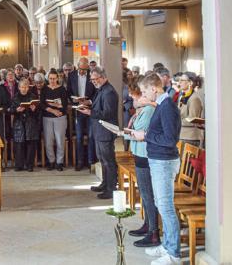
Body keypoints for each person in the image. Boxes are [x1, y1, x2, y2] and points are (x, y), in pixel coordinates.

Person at [130, 73, 182, 265]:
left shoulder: (167, 106)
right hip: (158, 159)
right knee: (161, 205)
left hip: (164, 161)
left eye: (144, 91)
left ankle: (174, 254)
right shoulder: (162, 104)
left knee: (166, 207)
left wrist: (145, 135)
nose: (143, 95)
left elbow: (170, 139)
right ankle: (167, 246)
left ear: (154, 88)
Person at [123, 84, 160, 248]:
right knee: (145, 194)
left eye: (135, 95)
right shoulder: (141, 111)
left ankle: (153, 232)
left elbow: (139, 133)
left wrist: (124, 133)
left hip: (145, 156)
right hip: (139, 155)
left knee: (147, 194)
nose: (132, 98)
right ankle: (147, 224)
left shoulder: (148, 111)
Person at [78, 67, 118, 199]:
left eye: (95, 79)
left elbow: (108, 113)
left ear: (103, 77)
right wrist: (88, 104)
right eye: (92, 79)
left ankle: (111, 188)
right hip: (99, 131)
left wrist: (90, 112)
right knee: (102, 160)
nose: (93, 82)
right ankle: (105, 184)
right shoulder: (101, 89)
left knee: (108, 161)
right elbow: (98, 104)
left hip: (106, 131)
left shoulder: (109, 92)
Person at [68, 60, 96, 170]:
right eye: (81, 69)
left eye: (85, 69)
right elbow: (69, 91)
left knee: (90, 136)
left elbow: (95, 92)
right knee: (79, 137)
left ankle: (90, 161)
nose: (83, 71)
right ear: (77, 67)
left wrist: (88, 101)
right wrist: (74, 100)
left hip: (89, 109)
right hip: (78, 109)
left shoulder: (91, 75)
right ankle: (79, 161)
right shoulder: (72, 75)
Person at [9, 79, 41, 171]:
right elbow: (10, 110)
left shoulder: (33, 96)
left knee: (31, 145)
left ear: (28, 88)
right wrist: (16, 110)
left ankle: (29, 165)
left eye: (25, 87)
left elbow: (39, 112)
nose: (24, 89)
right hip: (19, 124)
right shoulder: (15, 97)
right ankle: (19, 165)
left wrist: (34, 109)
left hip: (31, 123)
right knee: (19, 145)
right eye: (22, 87)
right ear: (19, 88)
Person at [42, 69, 69, 171]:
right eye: (50, 78)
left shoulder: (62, 89)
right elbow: (42, 104)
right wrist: (53, 110)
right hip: (47, 117)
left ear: (57, 78)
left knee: (60, 140)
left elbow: (65, 104)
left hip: (60, 117)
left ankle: (59, 162)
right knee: (48, 141)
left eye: (54, 78)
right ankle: (51, 161)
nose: (52, 80)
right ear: (48, 79)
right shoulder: (45, 89)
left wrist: (59, 108)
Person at [176, 72, 204, 147]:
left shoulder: (194, 98)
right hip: (182, 136)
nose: (179, 82)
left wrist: (175, 121)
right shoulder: (183, 96)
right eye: (179, 80)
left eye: (182, 80)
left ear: (190, 83)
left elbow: (193, 120)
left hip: (190, 138)